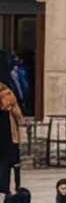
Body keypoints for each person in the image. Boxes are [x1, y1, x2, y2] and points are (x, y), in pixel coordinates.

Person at [0, 57, 23, 193]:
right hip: (6, 128)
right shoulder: (6, 92)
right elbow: (16, 111)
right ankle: (4, 185)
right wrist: (21, 122)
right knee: (6, 159)